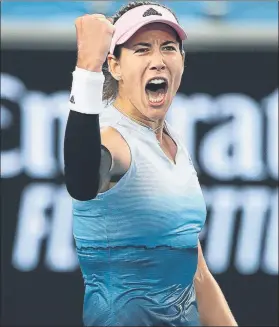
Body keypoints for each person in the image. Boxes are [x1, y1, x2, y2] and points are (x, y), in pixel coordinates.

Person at [64, 1, 238, 326]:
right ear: (114, 66)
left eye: (168, 48)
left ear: (182, 62)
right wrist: (88, 67)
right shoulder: (114, 139)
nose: (158, 61)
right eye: (142, 49)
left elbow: (196, 270)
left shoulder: (174, 147)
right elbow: (82, 179)